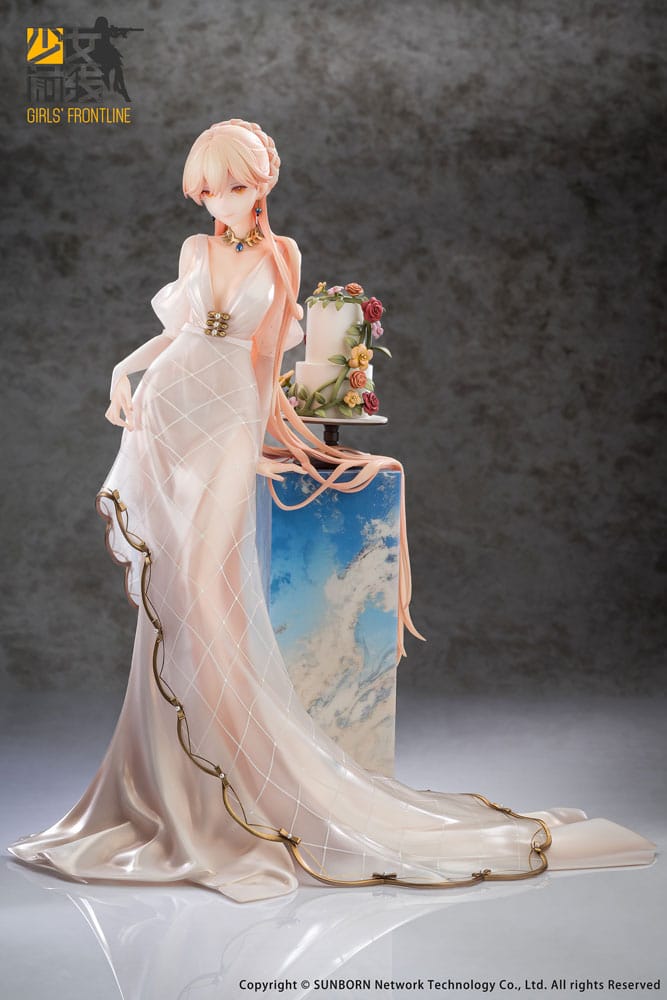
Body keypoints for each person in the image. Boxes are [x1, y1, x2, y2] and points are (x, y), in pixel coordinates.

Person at [7, 119, 656, 903]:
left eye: (236, 186)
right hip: (171, 405)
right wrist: (123, 368)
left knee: (208, 590)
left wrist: (271, 434)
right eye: (208, 190)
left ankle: (233, 776)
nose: (221, 202)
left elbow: (263, 358)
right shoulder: (194, 250)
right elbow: (176, 335)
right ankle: (171, 781)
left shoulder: (283, 256)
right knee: (171, 592)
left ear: (263, 184)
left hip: (229, 416)